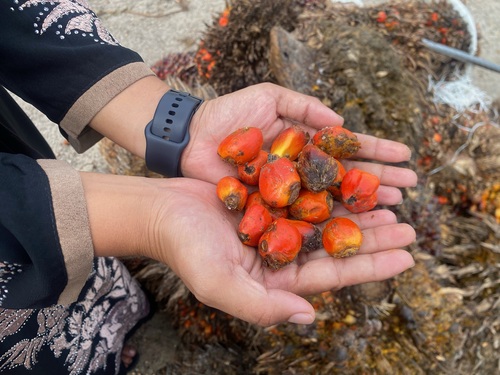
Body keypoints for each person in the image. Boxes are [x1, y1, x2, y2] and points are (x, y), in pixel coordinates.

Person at [0, 1, 417, 374]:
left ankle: (111, 338)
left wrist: (178, 124)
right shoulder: (274, 190)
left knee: (90, 304)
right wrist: (152, 218)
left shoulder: (280, 186)